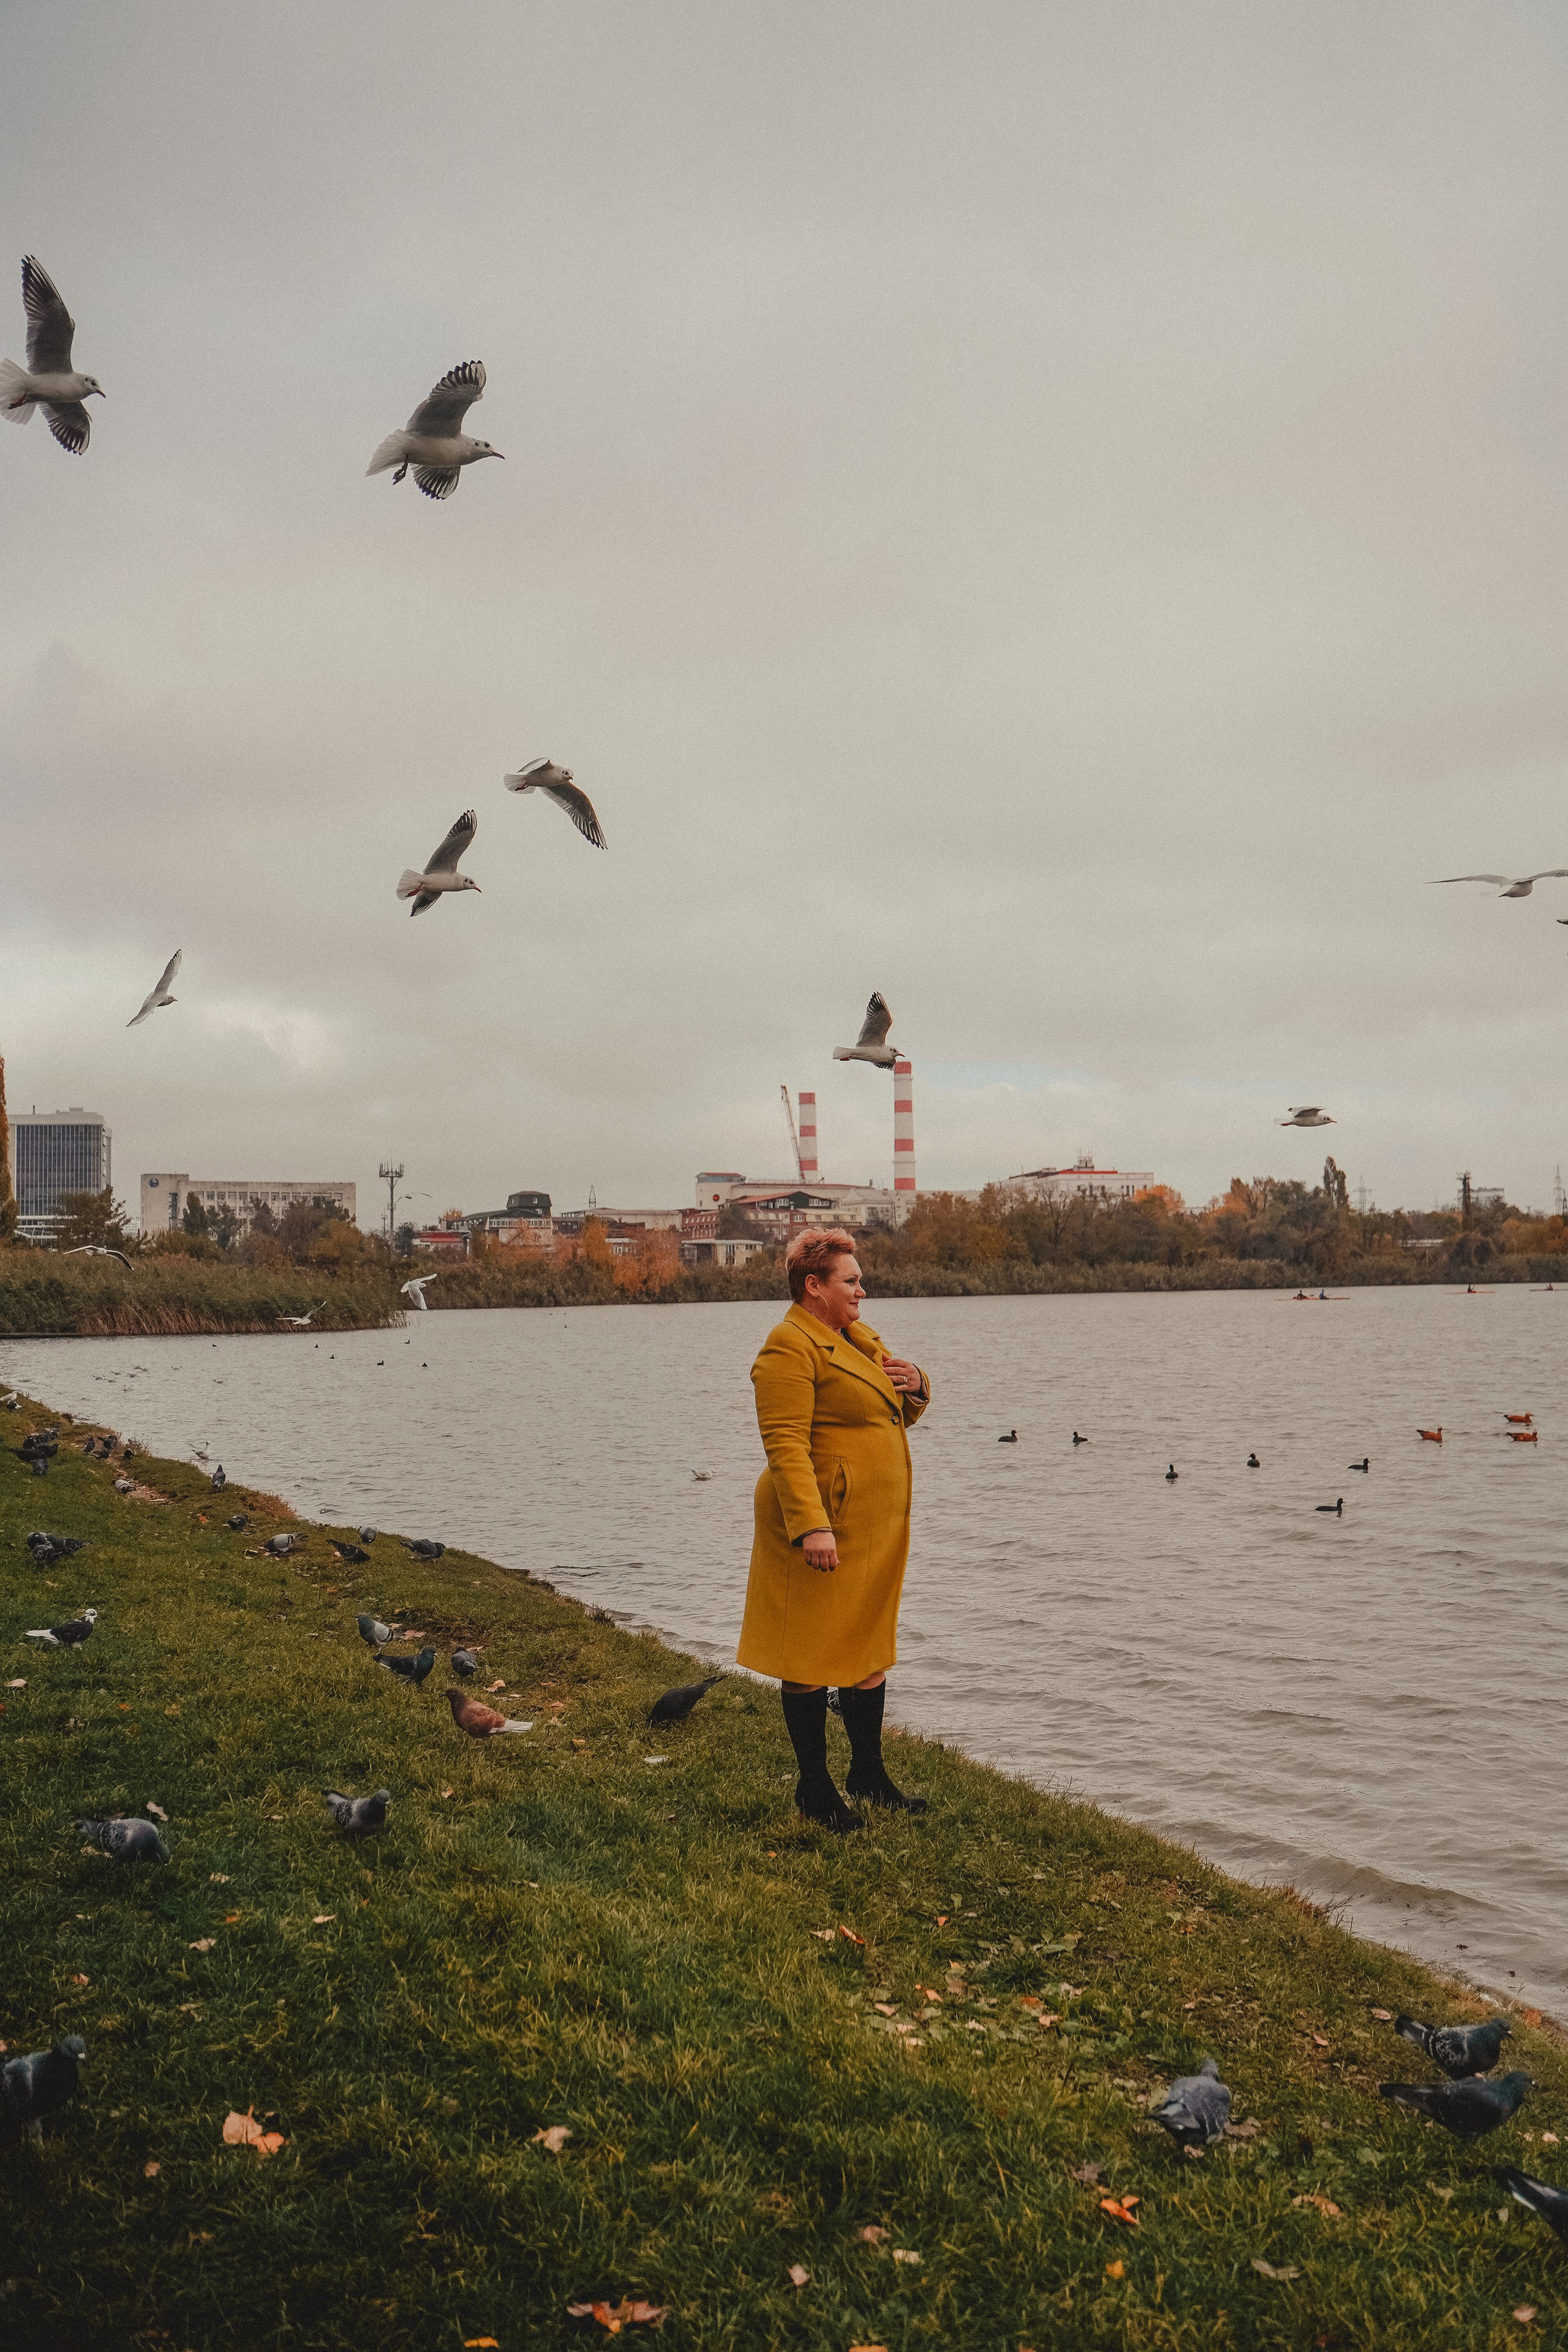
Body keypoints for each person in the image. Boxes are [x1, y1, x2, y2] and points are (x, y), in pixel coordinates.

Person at [736, 1227, 931, 1831]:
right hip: (825, 1525)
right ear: (813, 1286)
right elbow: (785, 1445)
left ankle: (867, 1774)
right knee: (810, 1654)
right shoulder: (787, 1348)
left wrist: (918, 1384)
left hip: (872, 1527)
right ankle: (815, 1789)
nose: (861, 1290)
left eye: (859, 1279)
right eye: (850, 1281)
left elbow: (891, 1410)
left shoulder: (855, 1338)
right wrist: (810, 1528)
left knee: (867, 1647)